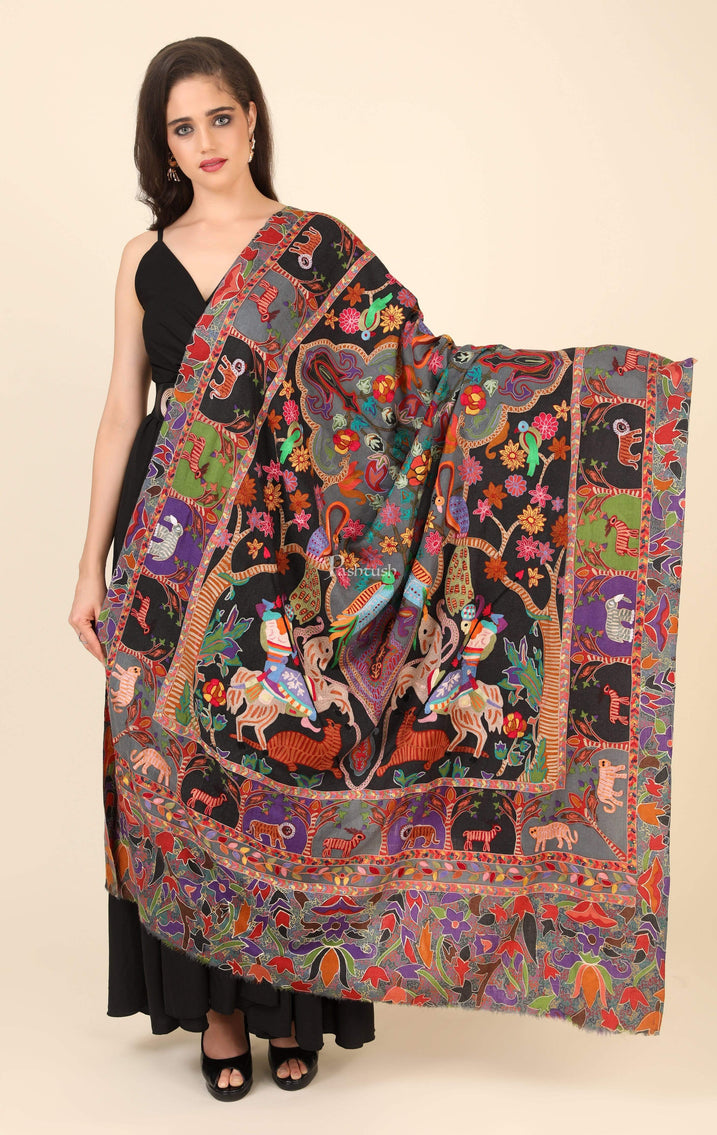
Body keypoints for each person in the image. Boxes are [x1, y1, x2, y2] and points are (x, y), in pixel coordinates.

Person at [68, 36, 375, 1101]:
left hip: (285, 545)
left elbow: (393, 388)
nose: (204, 142)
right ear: (164, 145)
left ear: (251, 119)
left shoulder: (315, 249)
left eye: (219, 117)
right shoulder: (142, 257)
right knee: (186, 768)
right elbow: (122, 413)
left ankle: (292, 997)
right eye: (181, 127)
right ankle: (220, 1010)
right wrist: (89, 567)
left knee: (284, 763)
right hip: (168, 542)